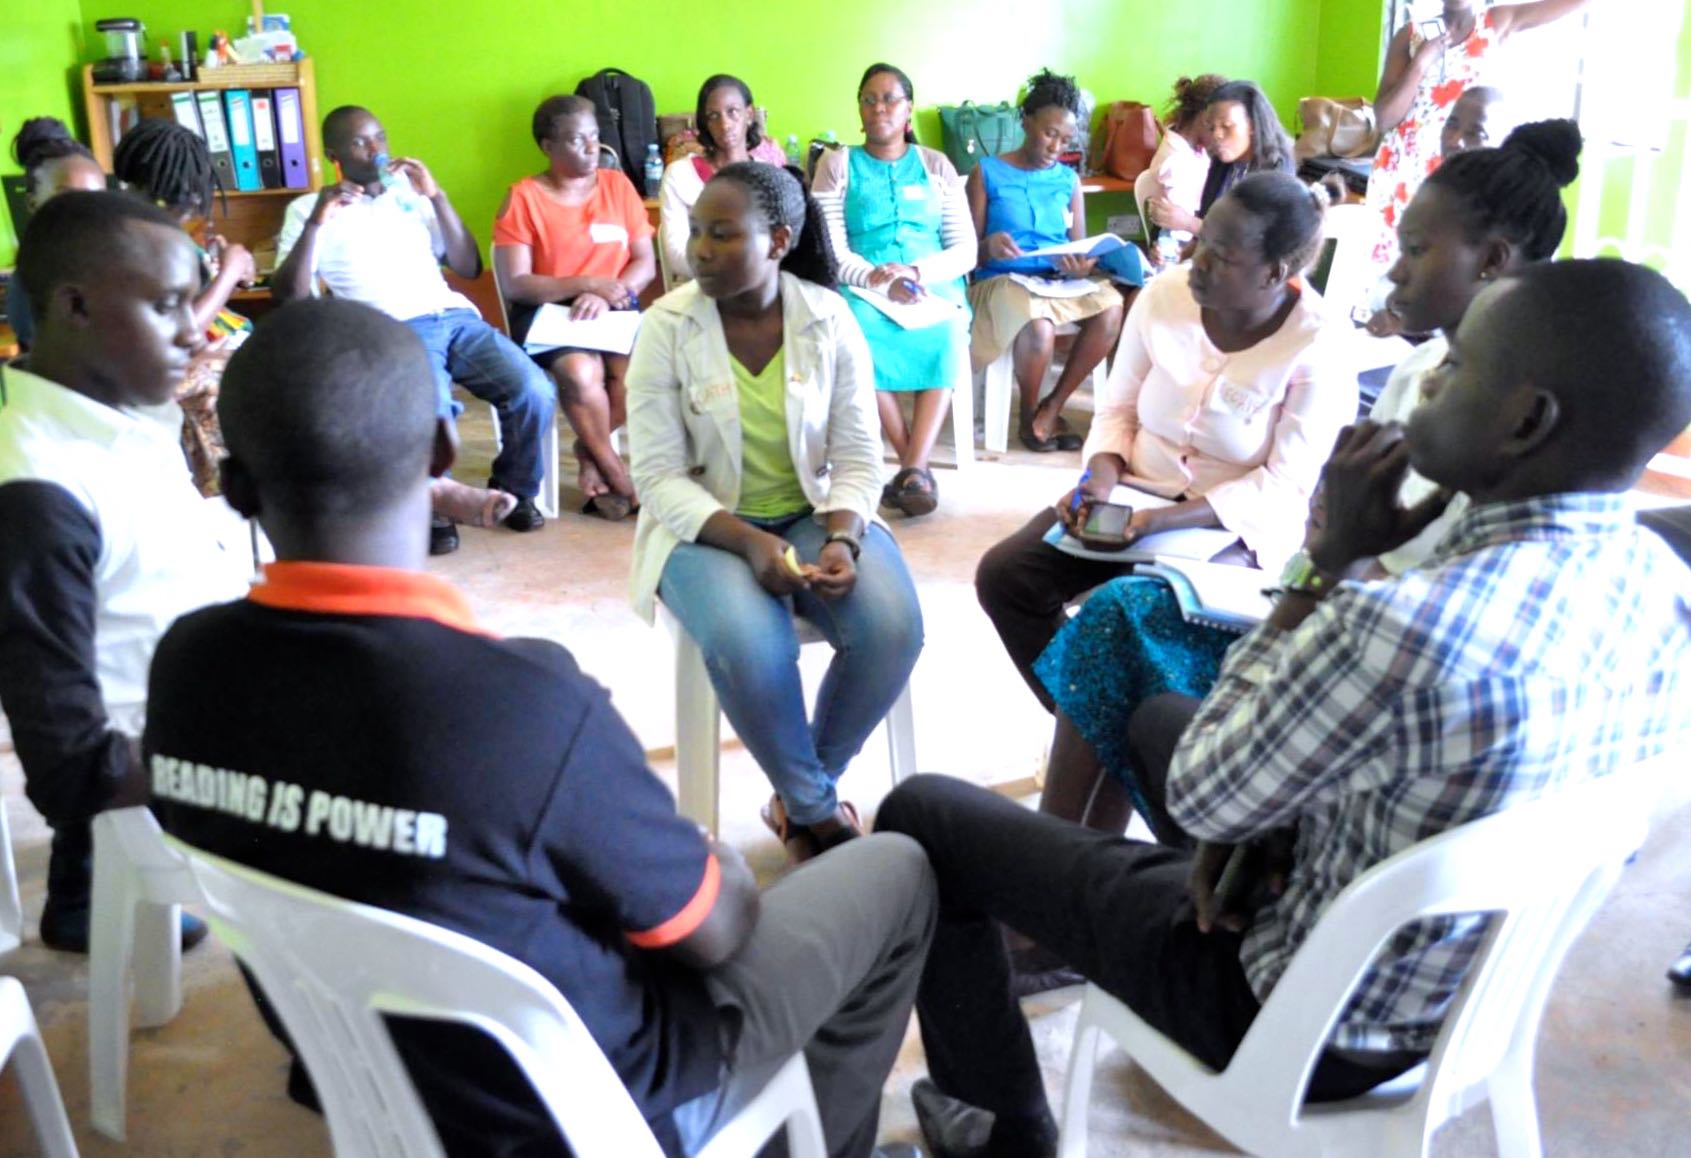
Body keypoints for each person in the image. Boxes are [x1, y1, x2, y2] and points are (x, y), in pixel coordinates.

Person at [882, 256, 1691, 1158]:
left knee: (923, 813)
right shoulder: (1658, 580)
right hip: (1458, 990)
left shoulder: (1406, 624)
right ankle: (1194, 887)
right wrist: (1248, 829)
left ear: (1525, 420)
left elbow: (1202, 795)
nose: (1422, 382)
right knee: (1154, 718)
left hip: (1295, 1012)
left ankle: (1002, 1136)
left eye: (1455, 366)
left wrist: (1325, 562)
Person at [142, 295, 934, 1158]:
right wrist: (720, 867)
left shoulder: (184, 668)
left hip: (376, 1076)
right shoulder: (519, 702)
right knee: (896, 870)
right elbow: (712, 932)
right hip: (609, 1111)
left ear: (237, 484)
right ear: (444, 452)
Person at [1004, 121, 1586, 996]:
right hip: (1325, 599)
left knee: (1121, 625)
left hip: (1326, 617)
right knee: (1085, 619)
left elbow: (1349, 563)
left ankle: (1077, 897)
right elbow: (1345, 535)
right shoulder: (1419, 368)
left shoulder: (1485, 404)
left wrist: (1321, 560)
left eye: (1414, 250)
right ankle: (1086, 874)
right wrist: (1111, 475)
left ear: (1494, 261)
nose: (1390, 270)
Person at [627, 162, 924, 862]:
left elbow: (857, 457)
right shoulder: (664, 328)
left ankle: (796, 794)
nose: (698, 249)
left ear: (780, 239)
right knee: (753, 645)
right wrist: (749, 544)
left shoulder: (828, 318)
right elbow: (658, 477)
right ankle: (819, 815)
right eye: (696, 231)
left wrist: (845, 538)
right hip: (703, 524)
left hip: (813, 510)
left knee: (891, 627)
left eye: (722, 234)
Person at [975, 172, 1353, 710]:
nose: (1197, 261)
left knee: (1131, 612)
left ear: (1276, 272)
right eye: (1202, 243)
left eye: (1222, 256)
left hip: (1234, 532)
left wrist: (1156, 524)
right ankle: (1089, 724)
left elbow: (1284, 484)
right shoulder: (1164, 295)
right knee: (1007, 576)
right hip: (1134, 492)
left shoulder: (1320, 343)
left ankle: (1108, 737)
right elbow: (1118, 409)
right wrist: (1098, 482)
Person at [0, 191, 253, 953]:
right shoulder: (37, 488)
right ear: (74, 307)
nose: (194, 328)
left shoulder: (116, 414)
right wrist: (259, 751)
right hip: (162, 771)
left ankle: (91, 884)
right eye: (167, 305)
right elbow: (72, 764)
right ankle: (94, 884)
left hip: (190, 719)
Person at [272, 104, 555, 554]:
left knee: (533, 389)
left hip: (454, 316)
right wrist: (316, 222)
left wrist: (436, 196)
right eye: (360, 142)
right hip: (393, 329)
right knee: (433, 407)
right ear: (333, 154)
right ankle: (433, 504)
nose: (376, 149)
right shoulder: (309, 208)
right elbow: (289, 293)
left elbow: (467, 265)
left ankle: (514, 491)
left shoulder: (407, 193)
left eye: (380, 137)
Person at [812, 63, 974, 516]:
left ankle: (910, 468)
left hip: (932, 282)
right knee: (859, 333)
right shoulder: (837, 164)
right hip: (864, 284)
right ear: (859, 110)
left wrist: (917, 274)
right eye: (869, 99)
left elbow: (965, 251)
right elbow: (831, 248)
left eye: (890, 99)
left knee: (946, 332)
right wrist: (877, 279)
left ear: (908, 109)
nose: (879, 107)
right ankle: (915, 468)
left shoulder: (936, 165)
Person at [493, 94, 656, 522]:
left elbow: (644, 261)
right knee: (584, 374)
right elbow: (517, 283)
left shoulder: (617, 187)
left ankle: (588, 451)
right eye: (575, 140)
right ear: (548, 147)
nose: (590, 148)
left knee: (642, 376)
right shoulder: (524, 198)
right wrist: (583, 284)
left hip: (615, 304)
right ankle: (621, 481)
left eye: (595, 137)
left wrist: (605, 293)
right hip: (551, 312)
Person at [965, 69, 1126, 455]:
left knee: (1113, 309)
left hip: (1053, 281)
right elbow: (967, 254)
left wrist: (1081, 266)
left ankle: (1050, 407)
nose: (1057, 146)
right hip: (1000, 281)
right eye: (1050, 133)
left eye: (1066, 139)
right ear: (1026, 121)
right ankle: (1027, 419)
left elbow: (1081, 246)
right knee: (1039, 327)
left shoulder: (1068, 181)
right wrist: (989, 247)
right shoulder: (986, 172)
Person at [1365, 0, 1591, 272]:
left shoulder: (1495, 24)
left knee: (1443, 262)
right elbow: (1384, 118)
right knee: (1386, 268)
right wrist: (1421, 62)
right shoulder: (1411, 33)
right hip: (1398, 171)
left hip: (1458, 168)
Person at [109, 116, 257, 495]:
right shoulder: (148, 238)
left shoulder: (124, 221)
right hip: (159, 372)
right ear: (188, 194)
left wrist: (211, 267)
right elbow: (179, 326)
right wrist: (228, 273)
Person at [657, 74, 787, 290]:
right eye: (713, 116)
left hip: (760, 288)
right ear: (705, 124)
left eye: (732, 112)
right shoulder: (679, 176)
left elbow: (782, 243)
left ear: (749, 114)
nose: (724, 124)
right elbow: (677, 254)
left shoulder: (769, 176)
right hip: (700, 288)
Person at [6, 117, 106, 350]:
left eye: (94, 199)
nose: (83, 211)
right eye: (67, 197)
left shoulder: (100, 262)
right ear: (32, 203)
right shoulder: (34, 280)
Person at [1147, 80, 1294, 237]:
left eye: (1226, 126)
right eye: (1211, 127)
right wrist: (1182, 253)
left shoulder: (1276, 173)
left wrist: (1188, 223)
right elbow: (1208, 219)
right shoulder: (1223, 162)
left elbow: (1248, 241)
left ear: (1252, 125)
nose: (1216, 135)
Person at [1140, 74, 1227, 238]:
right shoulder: (1177, 162)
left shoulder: (1191, 147)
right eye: (1219, 126)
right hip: (1176, 242)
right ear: (1205, 118)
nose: (1220, 136)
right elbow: (1179, 230)